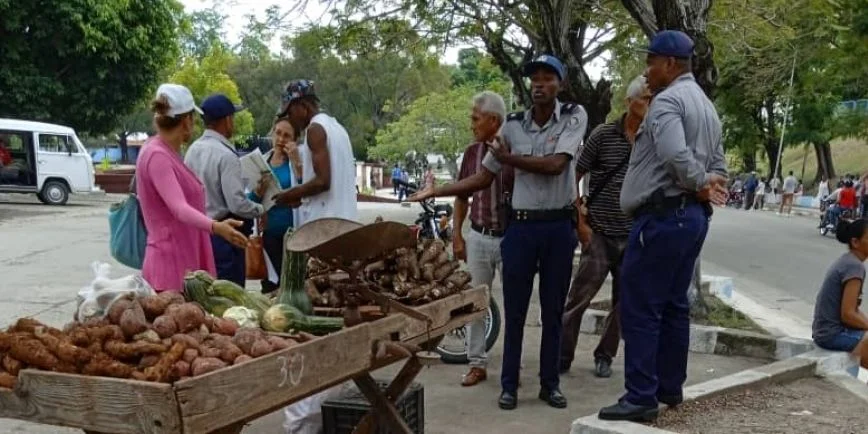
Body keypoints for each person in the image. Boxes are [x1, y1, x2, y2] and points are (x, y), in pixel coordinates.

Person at [411, 54, 587, 410]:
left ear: (561, 84)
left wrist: (509, 159)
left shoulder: (574, 116)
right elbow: (482, 177)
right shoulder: (513, 126)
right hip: (520, 228)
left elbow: (556, 166)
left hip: (557, 226)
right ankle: (509, 386)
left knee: (553, 310)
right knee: (516, 309)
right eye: (534, 78)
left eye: (547, 77)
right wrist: (438, 190)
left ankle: (549, 384)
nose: (539, 83)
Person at [598, 30, 728, 422]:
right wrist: (708, 181)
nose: (647, 69)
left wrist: (700, 181)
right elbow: (719, 163)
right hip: (689, 218)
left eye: (652, 61)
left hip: (662, 216)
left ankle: (640, 396)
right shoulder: (705, 105)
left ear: (670, 64)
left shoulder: (668, 101)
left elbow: (675, 156)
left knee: (641, 306)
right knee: (673, 304)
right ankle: (669, 386)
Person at [274, 80, 358, 434]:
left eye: (290, 112)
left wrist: (291, 194)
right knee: (338, 313)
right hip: (340, 228)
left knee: (316, 317)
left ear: (302, 106)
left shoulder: (317, 131)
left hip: (324, 234)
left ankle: (314, 404)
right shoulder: (337, 129)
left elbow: (323, 180)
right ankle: (338, 388)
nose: (290, 120)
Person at [560, 75, 650, 379]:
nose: (651, 105)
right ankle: (562, 356)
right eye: (646, 99)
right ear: (630, 102)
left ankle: (605, 355)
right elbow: (575, 173)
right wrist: (580, 220)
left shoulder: (653, 137)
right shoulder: (604, 134)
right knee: (578, 298)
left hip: (633, 233)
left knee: (624, 304)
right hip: (598, 231)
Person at [136, 84, 248, 292]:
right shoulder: (157, 155)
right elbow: (179, 208)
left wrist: (216, 224)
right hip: (171, 269)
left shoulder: (165, 152)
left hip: (184, 263)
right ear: (187, 121)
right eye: (194, 120)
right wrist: (216, 226)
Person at [452, 91, 514, 387]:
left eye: (475, 119)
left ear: (494, 121)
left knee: (515, 304)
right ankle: (476, 363)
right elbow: (461, 197)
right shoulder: (471, 153)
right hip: (478, 236)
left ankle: (512, 367)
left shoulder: (512, 151)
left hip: (510, 239)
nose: (471, 124)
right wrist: (457, 236)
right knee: (477, 303)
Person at [185, 93, 265, 287]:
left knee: (201, 293)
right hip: (224, 236)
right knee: (228, 298)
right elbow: (236, 204)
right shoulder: (226, 155)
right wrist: (260, 208)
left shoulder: (192, 150)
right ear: (227, 120)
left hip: (198, 231)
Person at [248, 117, 301, 293]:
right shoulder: (261, 162)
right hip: (268, 235)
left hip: (293, 235)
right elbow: (250, 200)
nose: (280, 139)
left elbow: (306, 193)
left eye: (287, 136)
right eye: (278, 133)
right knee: (270, 286)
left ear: (294, 140)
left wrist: (297, 163)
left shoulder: (296, 163)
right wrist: (258, 192)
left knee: (292, 286)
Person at [812, 219, 868, 369]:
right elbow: (848, 314)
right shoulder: (854, 267)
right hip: (832, 335)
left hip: (825, 332)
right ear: (855, 242)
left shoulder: (849, 261)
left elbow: (854, 310)